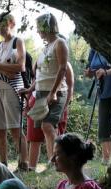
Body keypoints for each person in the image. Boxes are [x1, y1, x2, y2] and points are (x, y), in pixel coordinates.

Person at [20, 13, 68, 168]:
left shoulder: (60, 43)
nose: (37, 31)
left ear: (47, 26)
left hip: (57, 92)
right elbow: (40, 75)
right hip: (40, 92)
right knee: (43, 128)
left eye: (39, 27)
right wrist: (29, 89)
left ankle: (57, 162)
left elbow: (62, 69)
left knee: (48, 126)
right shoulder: (45, 48)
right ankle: (52, 161)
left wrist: (54, 92)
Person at [0, 12, 29, 170]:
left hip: (12, 87)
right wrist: (0, 68)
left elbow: (20, 67)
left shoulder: (17, 41)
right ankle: (3, 163)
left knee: (14, 127)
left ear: (11, 24)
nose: (0, 29)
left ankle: (23, 162)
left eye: (3, 26)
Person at [27, 62, 74, 171]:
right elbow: (35, 81)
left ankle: (55, 164)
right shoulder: (41, 60)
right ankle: (31, 167)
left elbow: (70, 85)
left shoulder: (65, 64)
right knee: (34, 136)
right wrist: (28, 103)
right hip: (38, 99)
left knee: (54, 130)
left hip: (58, 99)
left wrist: (65, 107)